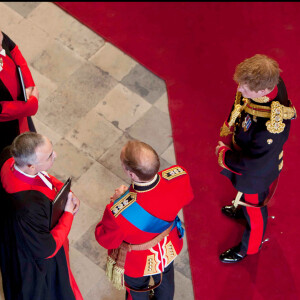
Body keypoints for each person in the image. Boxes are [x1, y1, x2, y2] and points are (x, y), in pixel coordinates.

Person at [215, 54, 297, 263]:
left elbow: (253, 163)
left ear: (262, 91)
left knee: (256, 210)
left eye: (245, 87)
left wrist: (225, 154)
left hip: (257, 174)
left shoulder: (271, 129)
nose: (239, 89)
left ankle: (249, 248)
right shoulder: (270, 81)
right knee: (247, 202)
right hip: (250, 156)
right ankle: (241, 210)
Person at [95, 140, 194, 300]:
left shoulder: (118, 213)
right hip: (168, 246)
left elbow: (104, 239)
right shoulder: (179, 175)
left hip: (138, 262)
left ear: (131, 174)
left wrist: (118, 201)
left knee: (138, 290)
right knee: (166, 278)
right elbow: (187, 196)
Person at [0, 132, 83, 300]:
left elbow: (44, 178)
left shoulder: (8, 157)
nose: (56, 155)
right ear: (31, 166)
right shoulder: (29, 207)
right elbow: (47, 249)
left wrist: (62, 188)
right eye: (49, 156)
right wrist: (68, 213)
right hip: (34, 257)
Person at [0, 30, 39, 153]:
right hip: (6, 130)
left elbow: (13, 49)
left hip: (21, 109)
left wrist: (29, 86)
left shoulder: (1, 38)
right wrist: (29, 105)